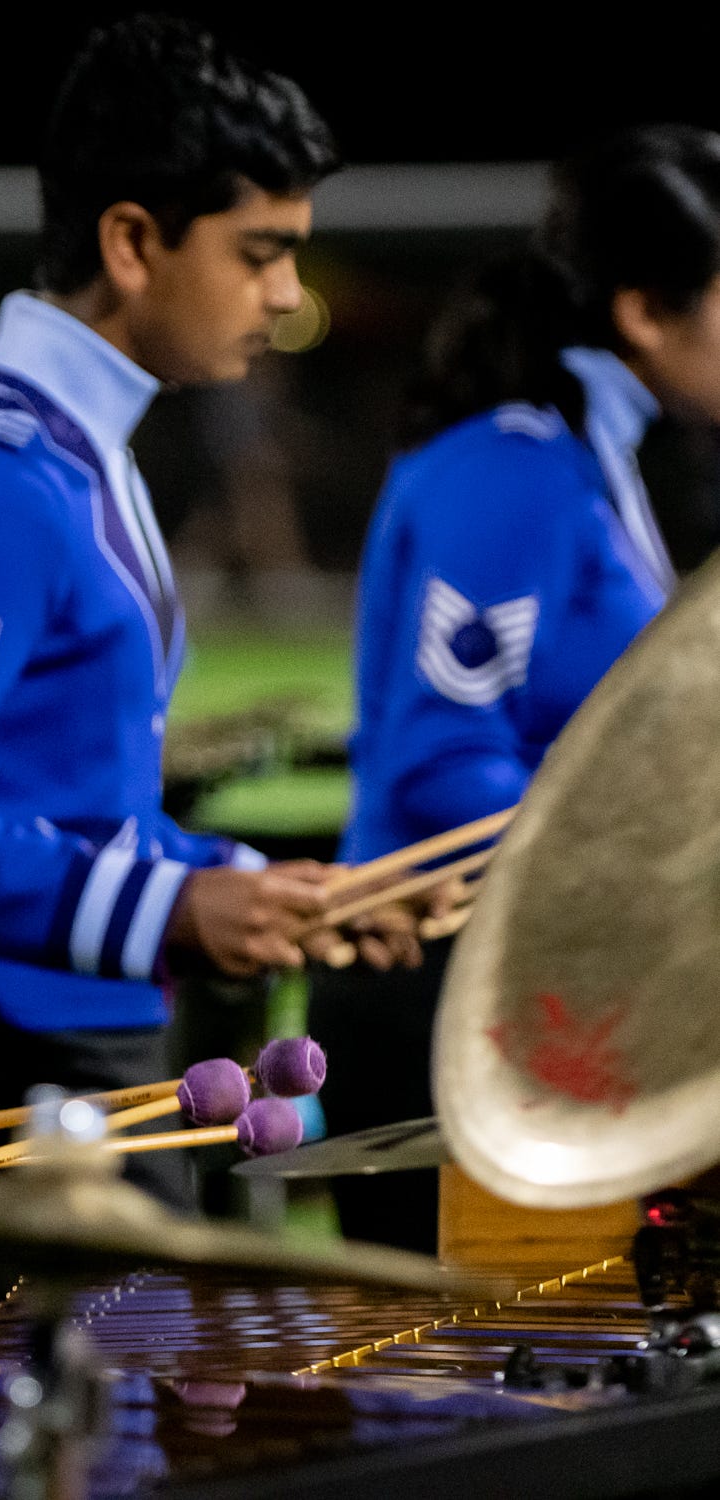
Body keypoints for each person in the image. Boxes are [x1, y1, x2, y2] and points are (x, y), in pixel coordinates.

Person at [0, 16, 410, 1304]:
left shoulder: (85, 455)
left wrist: (255, 888)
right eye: (260, 254)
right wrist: (171, 910)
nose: (289, 297)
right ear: (133, 243)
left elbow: (68, 806)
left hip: (61, 1036)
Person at [316, 125, 720, 1251]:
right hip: (439, 996)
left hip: (515, 997)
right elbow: (444, 761)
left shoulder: (584, 462)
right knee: (461, 1410)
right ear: (645, 312)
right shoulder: (512, 467)